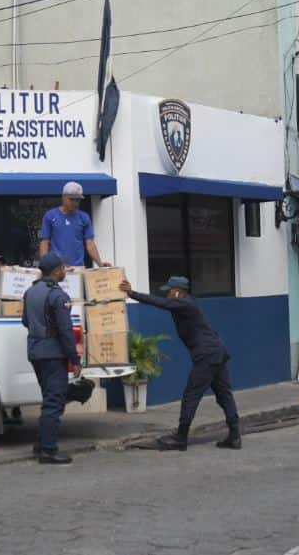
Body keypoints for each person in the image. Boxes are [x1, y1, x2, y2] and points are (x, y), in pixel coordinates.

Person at [120, 276, 240, 451]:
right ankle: (235, 436)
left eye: (169, 291)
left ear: (177, 291)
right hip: (216, 352)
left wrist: (132, 294)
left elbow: (161, 303)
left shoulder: (184, 303)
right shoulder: (186, 304)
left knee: (191, 396)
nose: (167, 294)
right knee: (224, 395)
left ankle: (181, 437)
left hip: (207, 355)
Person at [23, 252, 82, 465]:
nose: (65, 272)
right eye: (63, 268)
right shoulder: (58, 296)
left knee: (49, 398)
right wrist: (74, 359)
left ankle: (40, 444)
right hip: (53, 354)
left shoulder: (30, 291)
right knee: (54, 402)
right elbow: (66, 331)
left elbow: (25, 321)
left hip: (35, 352)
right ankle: (48, 451)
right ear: (56, 271)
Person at [39, 181, 110, 268]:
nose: (75, 203)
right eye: (71, 199)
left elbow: (90, 243)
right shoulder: (50, 216)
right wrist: (44, 266)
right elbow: (44, 242)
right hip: (56, 268)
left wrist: (100, 264)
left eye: (77, 200)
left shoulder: (84, 217)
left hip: (78, 267)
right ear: (63, 197)